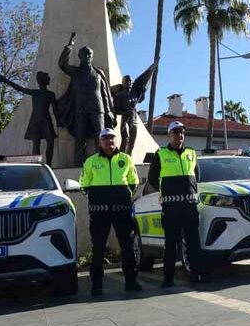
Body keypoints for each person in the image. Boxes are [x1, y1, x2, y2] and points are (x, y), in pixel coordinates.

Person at [79, 128, 141, 295]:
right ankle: (96, 285)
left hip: (122, 212)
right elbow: (84, 184)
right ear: (100, 141)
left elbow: (133, 182)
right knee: (98, 248)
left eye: (112, 138)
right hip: (100, 213)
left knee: (127, 246)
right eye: (105, 138)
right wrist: (97, 199)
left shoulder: (126, 159)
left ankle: (131, 281)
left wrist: (125, 195)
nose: (109, 141)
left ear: (116, 140)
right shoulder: (91, 161)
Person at [147, 121, 205, 287]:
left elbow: (196, 176)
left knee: (193, 242)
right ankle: (168, 278)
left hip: (189, 206)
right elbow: (152, 178)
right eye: (176, 132)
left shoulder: (191, 153)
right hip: (171, 208)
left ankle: (196, 274)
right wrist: (168, 191)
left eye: (181, 132)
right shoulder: (161, 153)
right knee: (171, 243)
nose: (179, 135)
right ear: (169, 135)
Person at [57, 32, 116, 165]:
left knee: (100, 138)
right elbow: (62, 64)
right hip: (80, 109)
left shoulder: (98, 73)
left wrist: (109, 111)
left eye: (89, 54)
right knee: (80, 140)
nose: (87, 56)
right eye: (85, 54)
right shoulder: (75, 72)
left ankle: (102, 164)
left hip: (97, 109)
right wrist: (69, 46)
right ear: (80, 57)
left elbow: (105, 94)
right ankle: (79, 166)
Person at [0, 71, 57, 165]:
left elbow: (55, 109)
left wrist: (58, 121)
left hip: (46, 121)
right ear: (43, 80)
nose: (49, 79)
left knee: (50, 142)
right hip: (35, 121)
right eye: (47, 77)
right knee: (36, 144)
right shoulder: (35, 93)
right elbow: (19, 88)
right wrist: (5, 80)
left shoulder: (50, 94)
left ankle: (49, 165)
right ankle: (36, 165)